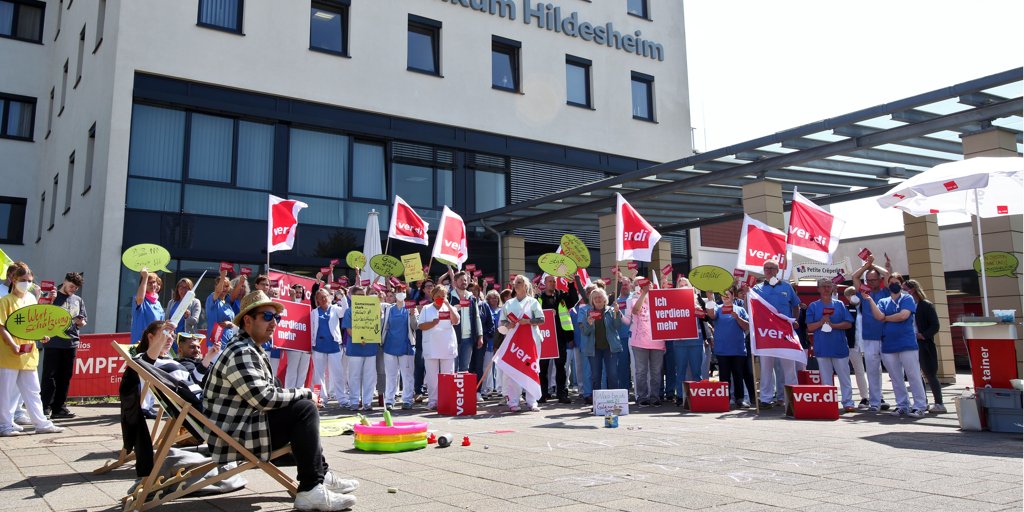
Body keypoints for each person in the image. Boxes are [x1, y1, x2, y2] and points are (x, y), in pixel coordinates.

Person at [204, 291, 358, 511]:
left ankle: (320, 475)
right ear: (247, 320)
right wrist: (304, 393)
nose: (274, 323)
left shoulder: (249, 348)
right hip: (235, 435)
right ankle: (311, 488)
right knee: (304, 409)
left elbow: (267, 394)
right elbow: (264, 398)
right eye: (267, 317)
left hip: (240, 426)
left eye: (276, 318)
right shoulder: (241, 351)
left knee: (298, 407)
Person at [0, 261, 65, 436]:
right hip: (8, 352)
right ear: (13, 279)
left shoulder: (30, 299)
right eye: (23, 279)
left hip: (28, 352)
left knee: (33, 390)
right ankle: (4, 425)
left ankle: (41, 423)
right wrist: (13, 345)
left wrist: (42, 335)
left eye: (29, 280)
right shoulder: (5, 301)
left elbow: (34, 324)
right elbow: (2, 327)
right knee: (5, 392)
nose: (27, 283)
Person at [863, 279, 927, 418]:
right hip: (889, 344)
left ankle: (919, 405)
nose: (894, 284)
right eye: (891, 282)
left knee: (913, 375)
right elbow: (878, 316)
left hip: (907, 343)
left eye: (897, 282)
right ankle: (902, 405)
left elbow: (904, 315)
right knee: (896, 377)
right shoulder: (883, 301)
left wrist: (886, 318)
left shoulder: (907, 298)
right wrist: (869, 300)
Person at [751, 260, 800, 408]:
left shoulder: (786, 286)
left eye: (772, 268)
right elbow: (753, 307)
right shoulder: (757, 288)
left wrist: (794, 320)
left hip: (785, 332)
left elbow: (796, 305)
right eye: (766, 268)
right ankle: (766, 399)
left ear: (778, 270)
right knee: (766, 367)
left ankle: (791, 397)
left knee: (788, 366)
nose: (769, 271)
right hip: (766, 333)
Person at [38, 272, 87, 419]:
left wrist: (81, 322)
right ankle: (45, 406)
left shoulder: (78, 300)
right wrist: (50, 300)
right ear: (64, 282)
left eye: (76, 288)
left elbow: (84, 320)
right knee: (50, 375)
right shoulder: (52, 297)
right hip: (53, 341)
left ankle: (59, 407)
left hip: (71, 342)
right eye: (71, 286)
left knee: (65, 376)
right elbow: (41, 314)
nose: (73, 290)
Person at [805, 279, 856, 413]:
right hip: (822, 347)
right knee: (826, 379)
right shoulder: (813, 306)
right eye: (824, 286)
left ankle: (848, 402)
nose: (827, 289)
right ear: (819, 289)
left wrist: (834, 326)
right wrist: (822, 321)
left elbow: (848, 324)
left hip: (839, 346)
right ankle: (829, 403)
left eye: (829, 286)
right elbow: (810, 326)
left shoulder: (839, 305)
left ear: (833, 288)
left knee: (844, 377)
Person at [851, 254, 892, 412]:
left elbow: (887, 274)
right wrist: (866, 266)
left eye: (874, 280)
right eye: (868, 280)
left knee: (893, 370)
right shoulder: (863, 292)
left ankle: (902, 402)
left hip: (885, 336)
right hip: (869, 337)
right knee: (873, 370)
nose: (870, 283)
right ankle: (875, 401)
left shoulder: (885, 292)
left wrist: (873, 266)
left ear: (879, 280)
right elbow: (855, 276)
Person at [500, 275, 545, 412]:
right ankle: (513, 401)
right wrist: (509, 324)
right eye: (515, 283)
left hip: (531, 341)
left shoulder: (533, 302)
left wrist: (529, 322)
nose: (516, 285)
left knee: (531, 368)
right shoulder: (508, 303)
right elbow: (502, 322)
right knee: (513, 370)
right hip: (514, 343)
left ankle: (532, 401)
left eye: (519, 282)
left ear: (526, 285)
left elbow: (541, 319)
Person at [706, 286, 754, 409]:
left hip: (738, 349)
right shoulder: (717, 308)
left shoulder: (740, 309)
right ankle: (725, 399)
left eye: (728, 295)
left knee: (738, 375)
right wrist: (710, 298)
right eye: (723, 295)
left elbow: (747, 326)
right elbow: (711, 315)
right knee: (724, 376)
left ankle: (740, 399)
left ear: (733, 296)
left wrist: (737, 318)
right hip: (722, 349)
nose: (725, 297)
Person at [904, 280, 945, 413]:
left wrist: (923, 335)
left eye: (905, 289)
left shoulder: (926, 305)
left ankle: (939, 403)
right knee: (915, 373)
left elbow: (935, 325)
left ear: (913, 290)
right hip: (909, 343)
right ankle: (922, 401)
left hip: (923, 343)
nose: (903, 292)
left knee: (929, 372)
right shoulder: (904, 305)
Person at [137, 320, 204, 401]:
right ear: (150, 337)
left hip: (197, 397)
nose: (170, 339)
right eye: (165, 334)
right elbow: (146, 362)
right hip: (194, 403)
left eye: (172, 335)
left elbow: (192, 380)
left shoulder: (168, 359)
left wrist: (210, 356)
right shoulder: (143, 360)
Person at [536, 275, 578, 404]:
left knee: (561, 366)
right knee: (543, 368)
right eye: (550, 281)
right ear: (545, 283)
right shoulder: (538, 298)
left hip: (560, 337)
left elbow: (574, 299)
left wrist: (571, 284)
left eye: (554, 281)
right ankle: (542, 394)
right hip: (544, 337)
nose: (552, 283)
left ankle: (562, 394)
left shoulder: (562, 296)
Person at [417, 285, 460, 411]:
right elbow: (421, 326)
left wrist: (448, 305)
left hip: (447, 346)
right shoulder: (426, 308)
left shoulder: (449, 307)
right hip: (431, 346)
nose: (440, 298)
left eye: (443, 296)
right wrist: (433, 323)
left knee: (448, 375)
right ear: (433, 296)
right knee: (432, 376)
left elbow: (456, 321)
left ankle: (447, 400)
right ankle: (433, 400)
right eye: (438, 296)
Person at [623, 277, 664, 407]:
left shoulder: (659, 298)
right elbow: (636, 310)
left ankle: (655, 396)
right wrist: (645, 293)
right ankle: (642, 397)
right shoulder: (635, 297)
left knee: (656, 371)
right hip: (639, 341)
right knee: (641, 371)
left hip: (658, 341)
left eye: (649, 284)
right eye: (645, 285)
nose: (648, 286)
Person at [667, 277, 706, 407]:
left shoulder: (697, 301)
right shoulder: (672, 303)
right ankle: (680, 396)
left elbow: (705, 318)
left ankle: (698, 395)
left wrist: (698, 310)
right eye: (680, 285)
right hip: (679, 342)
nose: (683, 287)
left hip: (695, 341)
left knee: (696, 371)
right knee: (681, 370)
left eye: (686, 285)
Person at [579, 288, 622, 401]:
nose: (598, 299)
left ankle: (615, 402)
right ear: (592, 300)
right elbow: (585, 332)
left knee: (612, 375)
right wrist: (588, 323)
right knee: (596, 377)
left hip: (610, 348)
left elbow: (617, 326)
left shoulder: (612, 310)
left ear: (605, 299)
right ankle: (597, 403)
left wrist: (617, 313)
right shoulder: (588, 313)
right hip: (594, 349)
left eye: (600, 297)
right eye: (595, 297)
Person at [341, 286, 379, 411]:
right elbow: (348, 329)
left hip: (370, 347)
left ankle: (367, 402)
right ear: (352, 296)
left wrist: (367, 338)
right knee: (354, 376)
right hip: (355, 348)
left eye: (363, 295)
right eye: (358, 295)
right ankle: (354, 402)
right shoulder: (349, 311)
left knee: (369, 377)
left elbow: (376, 326)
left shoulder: (373, 309)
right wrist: (360, 338)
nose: (361, 297)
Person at [311, 288, 348, 409]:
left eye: (325, 296)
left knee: (337, 374)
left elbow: (345, 311)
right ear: (317, 300)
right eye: (320, 298)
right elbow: (311, 329)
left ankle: (342, 399)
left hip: (334, 346)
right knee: (318, 375)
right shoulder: (314, 312)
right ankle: (320, 398)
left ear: (329, 297)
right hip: (318, 347)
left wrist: (342, 297)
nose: (323, 299)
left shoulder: (335, 309)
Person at [448, 271, 484, 389]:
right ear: (455, 282)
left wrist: (480, 335)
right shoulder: (449, 296)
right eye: (461, 280)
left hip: (468, 338)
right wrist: (456, 308)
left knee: (464, 368)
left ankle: (461, 395)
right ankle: (452, 393)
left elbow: (477, 316)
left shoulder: (471, 297)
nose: (464, 282)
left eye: (465, 280)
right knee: (452, 367)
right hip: (453, 337)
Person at [382, 289, 416, 410]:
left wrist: (412, 315)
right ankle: (389, 401)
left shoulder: (410, 308)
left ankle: (407, 400)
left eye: (402, 291)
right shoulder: (388, 308)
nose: (401, 293)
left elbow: (415, 327)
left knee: (407, 375)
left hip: (406, 347)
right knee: (391, 375)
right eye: (398, 291)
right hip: (389, 346)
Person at [843, 286, 870, 409]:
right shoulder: (847, 309)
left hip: (868, 342)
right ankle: (865, 397)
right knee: (859, 371)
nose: (852, 297)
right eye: (849, 295)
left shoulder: (867, 307)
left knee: (874, 370)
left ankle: (877, 396)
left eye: (854, 294)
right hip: (853, 344)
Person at [570, 284, 596, 403]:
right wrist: (588, 323)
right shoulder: (583, 309)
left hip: (600, 344)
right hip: (586, 344)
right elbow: (581, 326)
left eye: (594, 291)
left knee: (600, 370)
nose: (591, 294)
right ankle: (587, 394)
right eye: (589, 292)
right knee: (587, 370)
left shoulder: (602, 307)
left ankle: (600, 393)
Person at [131, 269, 165, 345]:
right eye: (148, 283)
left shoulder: (158, 303)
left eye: (154, 282)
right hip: (141, 343)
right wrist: (145, 277)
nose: (152, 285)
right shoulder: (139, 299)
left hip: (155, 344)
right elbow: (140, 299)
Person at [480, 290, 503, 398]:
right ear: (487, 299)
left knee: (500, 367)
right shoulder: (485, 309)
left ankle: (500, 389)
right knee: (487, 367)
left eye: (496, 297)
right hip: (488, 342)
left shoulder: (502, 310)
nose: (494, 299)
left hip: (500, 342)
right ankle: (486, 389)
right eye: (491, 297)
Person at [205, 276, 237, 347]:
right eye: (222, 285)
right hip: (215, 345)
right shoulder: (212, 298)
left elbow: (233, 325)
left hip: (229, 344)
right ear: (216, 286)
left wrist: (230, 324)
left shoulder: (228, 305)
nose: (224, 288)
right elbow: (217, 291)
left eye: (226, 286)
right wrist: (223, 275)